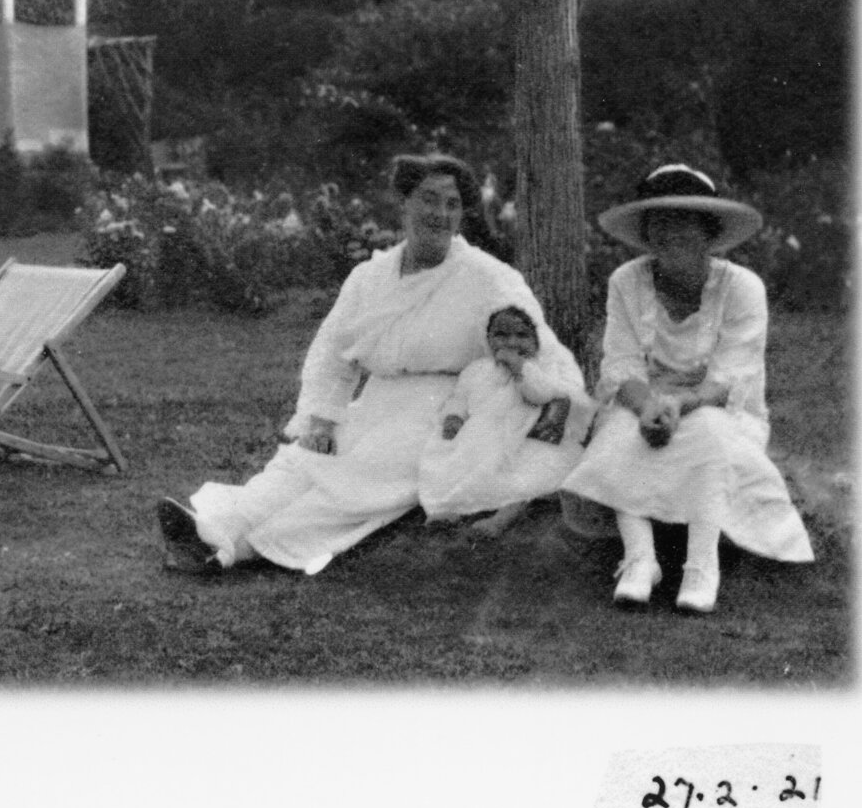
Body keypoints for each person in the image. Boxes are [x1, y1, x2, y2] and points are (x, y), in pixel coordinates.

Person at [156, 153, 567, 576]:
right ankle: (217, 527)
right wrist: (323, 420)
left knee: (358, 478)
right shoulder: (369, 278)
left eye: (452, 204)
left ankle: (232, 549)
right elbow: (332, 353)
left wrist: (539, 418)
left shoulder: (489, 278)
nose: (440, 214)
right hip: (377, 401)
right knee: (303, 461)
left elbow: (540, 350)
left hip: (445, 412)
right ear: (404, 203)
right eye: (428, 199)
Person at [561, 164, 813, 614]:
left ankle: (701, 565)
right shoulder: (626, 281)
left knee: (709, 436)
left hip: (719, 406)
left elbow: (732, 376)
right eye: (659, 221)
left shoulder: (742, 288)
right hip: (645, 401)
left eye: (685, 221)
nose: (670, 231)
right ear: (645, 232)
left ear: (709, 232)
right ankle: (640, 559)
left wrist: (679, 403)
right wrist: (646, 409)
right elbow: (620, 365)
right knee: (619, 433)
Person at [415, 305, 591, 535]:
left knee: (528, 472)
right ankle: (450, 509)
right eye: (501, 335)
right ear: (488, 339)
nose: (511, 342)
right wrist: (454, 416)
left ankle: (502, 518)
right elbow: (460, 397)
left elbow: (542, 394)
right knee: (453, 465)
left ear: (536, 340)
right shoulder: (477, 370)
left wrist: (520, 368)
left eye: (521, 335)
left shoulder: (539, 367)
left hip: (523, 435)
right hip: (481, 436)